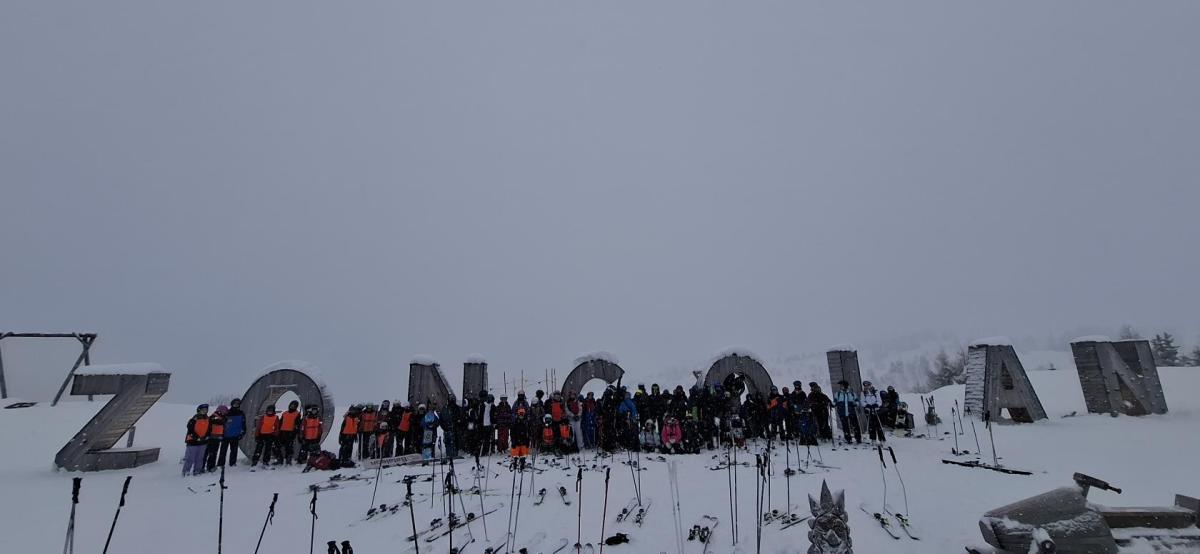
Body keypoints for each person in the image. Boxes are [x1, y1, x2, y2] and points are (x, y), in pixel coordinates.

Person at [183, 404, 211, 477]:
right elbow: (190, 430)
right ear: (199, 410)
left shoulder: (208, 419)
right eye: (203, 410)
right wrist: (196, 437)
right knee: (190, 458)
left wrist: (206, 436)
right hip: (193, 442)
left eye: (206, 410)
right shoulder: (194, 419)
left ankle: (197, 471)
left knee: (200, 458)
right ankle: (186, 471)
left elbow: (209, 429)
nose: (205, 411)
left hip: (203, 442)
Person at [833, 381, 862, 445]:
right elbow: (835, 401)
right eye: (840, 385)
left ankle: (858, 438)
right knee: (845, 426)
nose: (840, 387)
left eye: (842, 385)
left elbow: (857, 401)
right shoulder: (838, 393)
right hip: (842, 412)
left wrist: (855, 404)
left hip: (851, 412)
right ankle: (848, 439)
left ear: (845, 386)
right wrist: (832, 404)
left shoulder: (852, 393)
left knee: (855, 425)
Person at [222, 398, 246, 466]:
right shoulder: (227, 413)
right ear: (232, 404)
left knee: (234, 451)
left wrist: (242, 433)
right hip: (226, 435)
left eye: (237, 404)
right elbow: (222, 424)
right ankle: (221, 463)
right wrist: (222, 433)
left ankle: (232, 463)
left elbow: (243, 424)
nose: (236, 405)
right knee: (223, 451)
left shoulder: (241, 413)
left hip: (235, 435)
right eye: (235, 404)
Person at [278, 400, 302, 465]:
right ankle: (280, 459)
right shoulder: (284, 413)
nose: (292, 406)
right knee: (277, 446)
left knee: (289, 447)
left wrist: (294, 432)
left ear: (296, 407)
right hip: (282, 432)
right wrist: (279, 431)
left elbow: (297, 425)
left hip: (290, 433)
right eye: (292, 405)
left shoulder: (297, 414)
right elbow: (280, 423)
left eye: (294, 405)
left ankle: (288, 460)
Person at [205, 405, 227, 472]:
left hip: (217, 438)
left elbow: (223, 428)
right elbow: (217, 423)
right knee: (211, 453)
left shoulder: (221, 417)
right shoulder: (214, 417)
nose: (225, 412)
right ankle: (209, 467)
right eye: (224, 411)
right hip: (212, 438)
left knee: (213, 453)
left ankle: (211, 466)